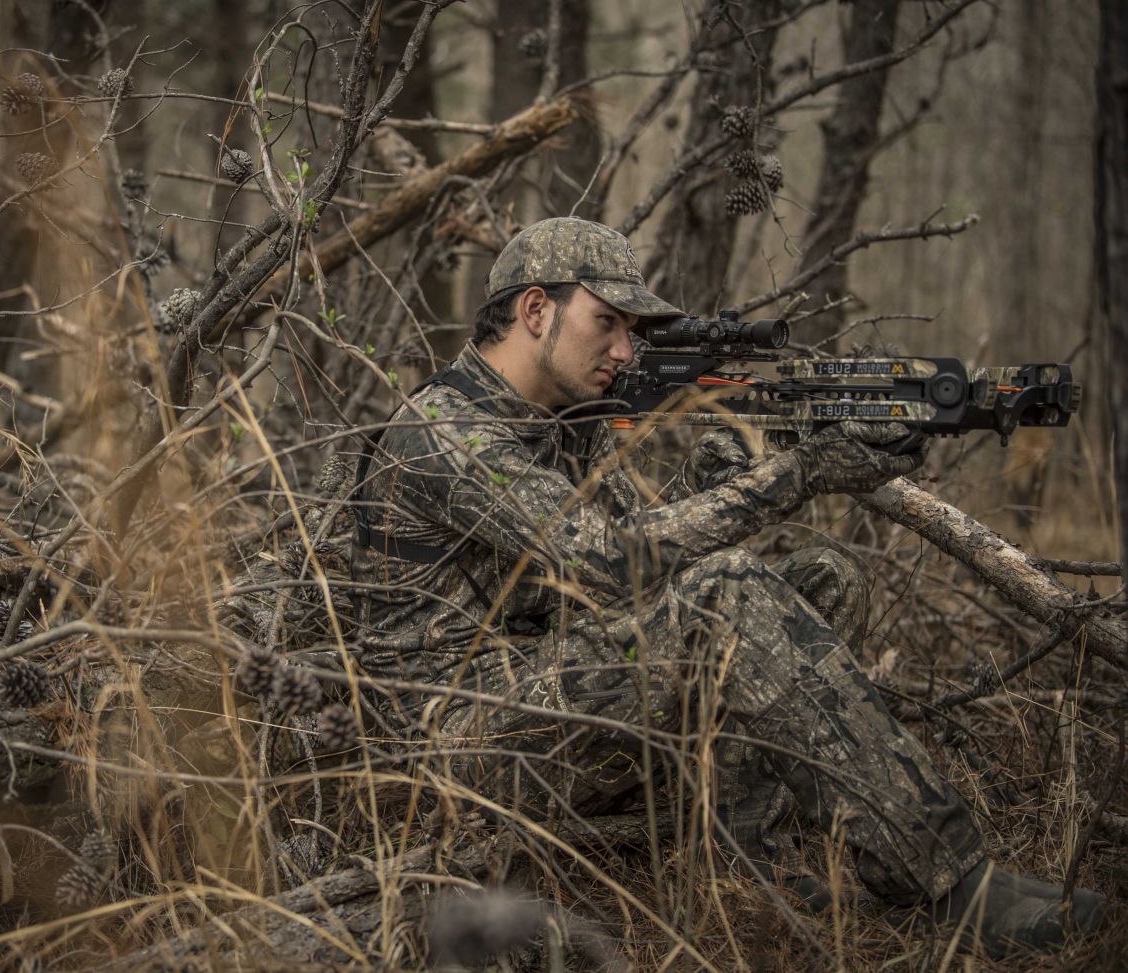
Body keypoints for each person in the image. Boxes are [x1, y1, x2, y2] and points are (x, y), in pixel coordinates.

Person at [343, 216, 1104, 956]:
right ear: (535, 309)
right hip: (449, 753)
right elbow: (609, 563)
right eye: (607, 321)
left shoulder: (556, 420)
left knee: (820, 580)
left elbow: (629, 570)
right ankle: (952, 878)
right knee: (728, 593)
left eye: (631, 329)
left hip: (531, 696)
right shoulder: (448, 430)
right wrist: (797, 475)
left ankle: (753, 863)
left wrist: (730, 461)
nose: (623, 347)